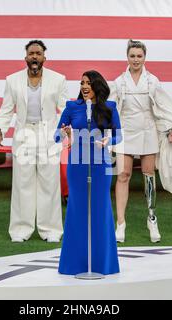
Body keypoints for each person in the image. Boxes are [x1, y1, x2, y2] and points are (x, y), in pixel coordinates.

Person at [110, 40, 172, 243]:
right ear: (127, 57)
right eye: (132, 56)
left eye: (139, 56)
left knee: (148, 175)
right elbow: (111, 109)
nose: (136, 59)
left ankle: (152, 218)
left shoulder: (153, 81)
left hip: (148, 131)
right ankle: (120, 223)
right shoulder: (119, 82)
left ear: (145, 57)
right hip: (125, 131)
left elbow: (163, 106)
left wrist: (170, 129)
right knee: (123, 175)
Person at [0, 40, 67, 243]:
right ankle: (20, 230)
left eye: (38, 53)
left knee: (50, 184)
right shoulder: (13, 80)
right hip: (24, 134)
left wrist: (67, 126)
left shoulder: (58, 80)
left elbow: (64, 107)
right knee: (22, 184)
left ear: (44, 57)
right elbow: (6, 108)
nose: (35, 56)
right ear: (25, 57)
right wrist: (0, 129)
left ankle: (51, 230)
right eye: (31, 53)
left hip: (48, 135)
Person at [57, 70, 122, 275]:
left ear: (97, 86)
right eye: (82, 83)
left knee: (101, 212)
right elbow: (56, 136)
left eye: (89, 83)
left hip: (101, 165)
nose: (85, 86)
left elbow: (118, 136)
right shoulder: (71, 107)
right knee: (77, 212)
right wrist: (65, 133)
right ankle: (74, 265)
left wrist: (107, 141)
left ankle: (103, 264)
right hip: (77, 166)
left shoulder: (110, 107)